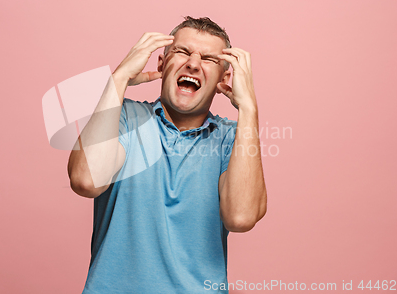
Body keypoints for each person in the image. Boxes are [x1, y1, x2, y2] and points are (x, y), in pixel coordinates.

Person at [67, 16, 267, 294]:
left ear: (224, 79)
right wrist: (119, 78)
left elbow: (241, 217)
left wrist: (249, 108)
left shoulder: (231, 138)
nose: (193, 63)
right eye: (182, 52)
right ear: (161, 65)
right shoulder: (124, 117)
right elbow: (85, 181)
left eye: (208, 59)